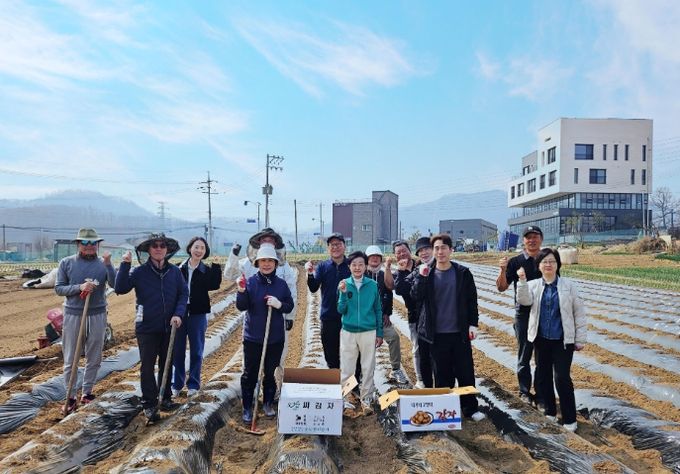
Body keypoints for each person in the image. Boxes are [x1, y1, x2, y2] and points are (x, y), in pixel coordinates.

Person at [411, 234, 485, 421]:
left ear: (451, 250)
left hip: (459, 333)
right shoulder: (426, 273)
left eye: (444, 248)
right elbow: (416, 296)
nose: (440, 252)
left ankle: (470, 408)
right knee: (442, 374)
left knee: (465, 372)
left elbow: (471, 301)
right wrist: (421, 277)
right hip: (437, 334)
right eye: (436, 248)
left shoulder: (462, 273)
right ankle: (444, 410)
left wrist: (473, 324)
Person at [115, 233, 187, 423]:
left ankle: (165, 398)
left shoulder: (175, 272)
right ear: (148, 250)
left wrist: (178, 314)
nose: (158, 249)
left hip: (170, 326)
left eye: (162, 246)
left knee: (167, 362)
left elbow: (183, 294)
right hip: (147, 326)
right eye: (154, 246)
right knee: (147, 366)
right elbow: (120, 288)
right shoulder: (139, 272)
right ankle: (149, 403)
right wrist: (125, 265)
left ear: (167, 250)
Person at [516, 248, 586, 432]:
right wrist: (522, 281)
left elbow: (578, 312)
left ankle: (570, 418)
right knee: (543, 376)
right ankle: (550, 412)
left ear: (557, 265)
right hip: (541, 340)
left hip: (563, 340)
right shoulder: (533, 285)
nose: (548, 265)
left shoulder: (568, 286)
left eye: (552, 261)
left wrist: (580, 338)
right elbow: (524, 301)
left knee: (562, 378)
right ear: (539, 266)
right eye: (544, 262)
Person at [55, 228, 116, 413]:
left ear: (98, 244)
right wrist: (79, 287)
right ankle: (71, 396)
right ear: (78, 244)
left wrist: (109, 265)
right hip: (74, 314)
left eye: (93, 243)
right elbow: (59, 288)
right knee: (71, 357)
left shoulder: (103, 264)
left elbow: (115, 284)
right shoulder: (66, 263)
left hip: (97, 314)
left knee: (94, 356)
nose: (89, 246)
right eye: (85, 242)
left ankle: (87, 392)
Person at [224, 228, 296, 375]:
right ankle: (253, 384)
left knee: (276, 360)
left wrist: (290, 316)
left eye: (271, 240)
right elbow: (230, 275)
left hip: (276, 319)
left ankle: (275, 385)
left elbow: (291, 292)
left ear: (276, 244)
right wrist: (233, 256)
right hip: (254, 320)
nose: (267, 242)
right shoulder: (249, 263)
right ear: (258, 243)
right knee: (251, 361)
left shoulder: (284, 267)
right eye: (264, 240)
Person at [236, 245, 294, 422]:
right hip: (253, 337)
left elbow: (289, 305)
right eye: (263, 261)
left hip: (275, 337)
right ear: (257, 263)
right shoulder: (251, 283)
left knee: (270, 372)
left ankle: (268, 403)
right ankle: (247, 406)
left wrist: (279, 304)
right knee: (250, 373)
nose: (267, 264)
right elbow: (242, 306)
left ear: (275, 263)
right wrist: (241, 291)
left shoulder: (281, 285)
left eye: (270, 261)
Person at [496, 225, 544, 405]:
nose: (532, 240)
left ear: (541, 239)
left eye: (535, 236)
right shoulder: (516, 262)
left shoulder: (547, 260)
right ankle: (524, 391)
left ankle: (541, 394)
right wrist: (502, 270)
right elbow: (501, 287)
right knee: (524, 354)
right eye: (528, 237)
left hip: (544, 314)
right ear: (523, 241)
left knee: (542, 356)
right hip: (523, 314)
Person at [172, 237, 222, 398]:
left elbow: (214, 284)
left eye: (202, 248)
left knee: (197, 350)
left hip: (198, 314)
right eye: (196, 247)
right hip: (180, 313)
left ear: (205, 252)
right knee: (177, 351)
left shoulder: (206, 270)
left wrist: (216, 266)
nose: (199, 250)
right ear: (190, 248)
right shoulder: (178, 268)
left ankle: (193, 384)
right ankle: (177, 384)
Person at [338, 251, 383, 415]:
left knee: (368, 366)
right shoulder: (344, 284)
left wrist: (379, 332)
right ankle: (344, 398)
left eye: (360, 264)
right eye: (354, 265)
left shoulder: (372, 285)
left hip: (368, 331)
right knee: (347, 368)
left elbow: (378, 309)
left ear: (365, 266)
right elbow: (341, 309)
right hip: (348, 331)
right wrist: (343, 294)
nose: (357, 267)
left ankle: (366, 399)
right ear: (349, 267)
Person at [390, 238, 433, 388]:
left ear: (410, 251)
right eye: (398, 252)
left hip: (431, 313)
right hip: (414, 315)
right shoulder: (398, 273)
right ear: (395, 255)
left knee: (435, 348)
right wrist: (401, 271)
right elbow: (400, 290)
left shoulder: (421, 264)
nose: (402, 254)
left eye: (404, 251)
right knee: (417, 348)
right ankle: (421, 379)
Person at [306, 232, 350, 369]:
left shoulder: (352, 265)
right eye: (332, 245)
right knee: (331, 354)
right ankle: (335, 379)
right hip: (329, 315)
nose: (335, 247)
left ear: (344, 246)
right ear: (328, 248)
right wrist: (310, 274)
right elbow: (313, 288)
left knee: (351, 353)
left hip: (350, 316)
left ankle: (352, 382)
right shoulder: (323, 266)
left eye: (338, 244)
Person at [365, 245, 406, 384]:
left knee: (394, 337)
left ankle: (396, 369)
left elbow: (389, 293)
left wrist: (387, 313)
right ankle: (365, 374)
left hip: (382, 319)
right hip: (365, 320)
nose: (375, 259)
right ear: (367, 259)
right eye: (372, 257)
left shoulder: (384, 275)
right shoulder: (362, 276)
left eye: (377, 256)